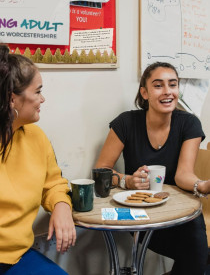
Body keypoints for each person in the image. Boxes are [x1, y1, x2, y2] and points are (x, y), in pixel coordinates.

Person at [95, 61, 209, 275]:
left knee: (197, 256)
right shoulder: (125, 123)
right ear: (144, 93)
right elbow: (101, 171)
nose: (167, 92)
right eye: (158, 85)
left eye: (173, 85)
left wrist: (201, 185)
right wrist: (127, 180)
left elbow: (183, 174)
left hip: (181, 214)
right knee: (194, 257)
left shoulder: (189, 124)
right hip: (142, 214)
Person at [0, 44, 76, 275]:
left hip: (17, 256)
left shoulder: (36, 136)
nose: (42, 99)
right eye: (37, 91)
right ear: (12, 99)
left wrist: (61, 206)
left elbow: (53, 183)